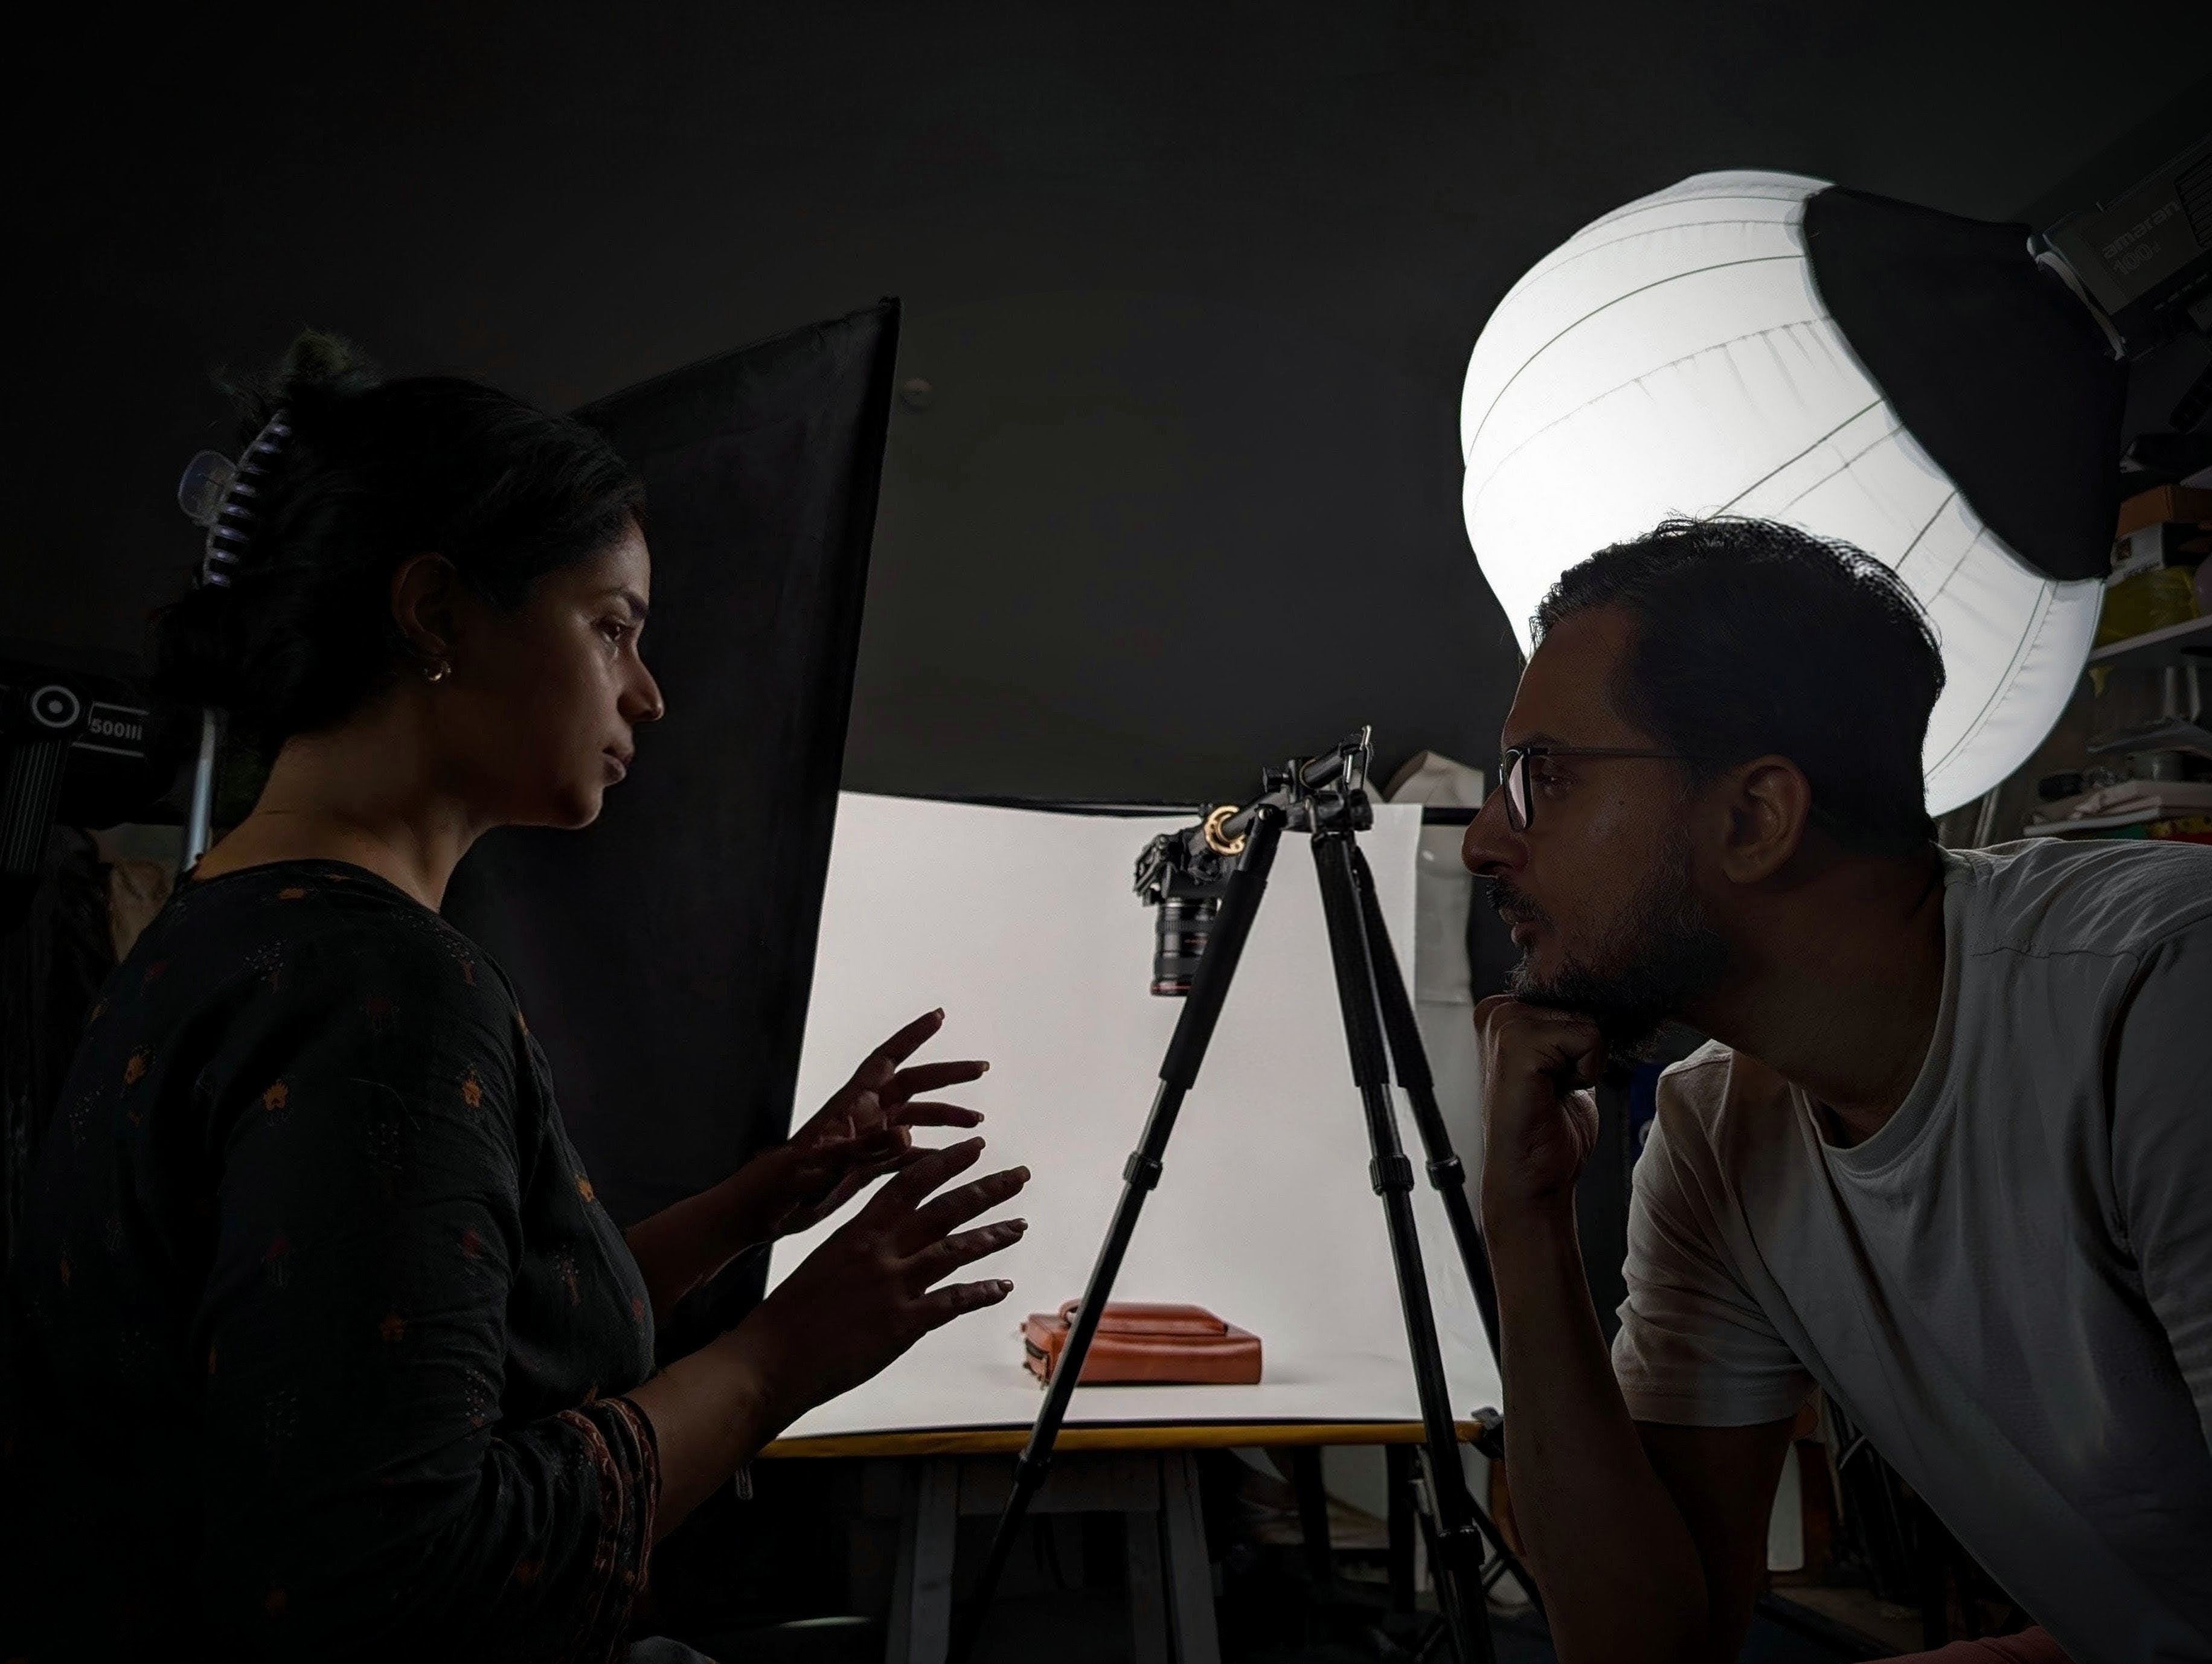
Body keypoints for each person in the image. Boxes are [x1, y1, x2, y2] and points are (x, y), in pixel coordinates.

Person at [0, 334, 1029, 1662]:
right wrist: (784, 1355)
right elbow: (413, 1576)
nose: (649, 694)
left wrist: (761, 1201)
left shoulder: (217, 931)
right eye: (612, 627)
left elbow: (433, 1346)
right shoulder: (381, 992)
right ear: (436, 614)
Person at [1461, 518, 2211, 1664]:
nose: (1485, 841)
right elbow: (1645, 1648)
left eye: (1542, 779)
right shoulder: (1717, 1134)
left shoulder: (2164, 999)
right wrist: (1523, 1224)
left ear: (1755, 818)